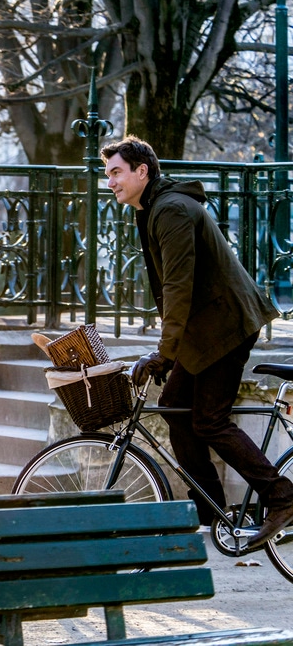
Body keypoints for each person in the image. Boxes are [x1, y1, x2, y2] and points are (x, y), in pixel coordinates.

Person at [101, 136, 293, 550]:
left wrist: (163, 352)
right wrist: (169, 352)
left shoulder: (170, 210)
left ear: (141, 171)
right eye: (108, 173)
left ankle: (281, 496)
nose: (110, 180)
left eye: (116, 172)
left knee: (209, 420)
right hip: (205, 328)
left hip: (226, 325)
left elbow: (178, 288)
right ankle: (212, 516)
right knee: (173, 408)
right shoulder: (152, 208)